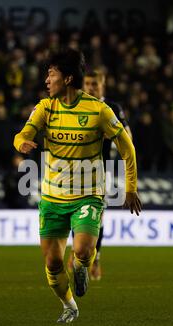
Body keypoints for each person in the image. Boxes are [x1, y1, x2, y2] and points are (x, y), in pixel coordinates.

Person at [13, 48, 141, 323]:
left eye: (51, 74)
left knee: (81, 250)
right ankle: (69, 306)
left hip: (88, 195)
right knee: (52, 262)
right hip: (52, 196)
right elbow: (23, 132)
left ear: (68, 79)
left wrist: (131, 188)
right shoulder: (45, 107)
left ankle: (83, 265)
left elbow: (127, 148)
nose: (47, 80)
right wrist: (21, 142)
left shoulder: (99, 110)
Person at [67, 69, 132, 280]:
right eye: (87, 83)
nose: (90, 87)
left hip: (101, 171)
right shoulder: (76, 104)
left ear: (102, 84)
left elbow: (127, 136)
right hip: (75, 168)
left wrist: (111, 134)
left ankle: (95, 258)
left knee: (97, 217)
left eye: (95, 83)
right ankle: (77, 251)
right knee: (72, 212)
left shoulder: (112, 108)